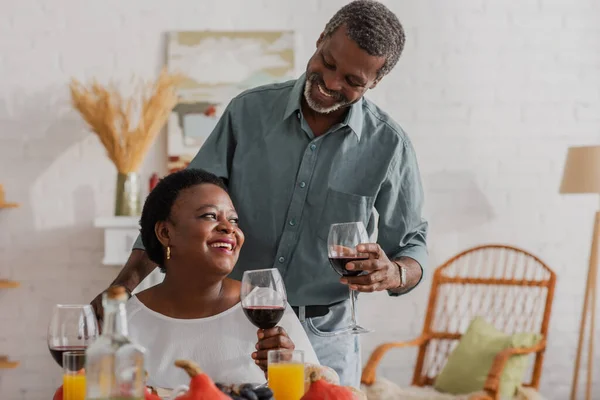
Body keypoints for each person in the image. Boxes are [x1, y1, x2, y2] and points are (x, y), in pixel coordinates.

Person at [92, 0, 427, 388]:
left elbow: (413, 246)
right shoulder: (247, 113)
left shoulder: (389, 145)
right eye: (328, 63)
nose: (332, 83)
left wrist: (395, 272)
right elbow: (181, 203)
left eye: (353, 81)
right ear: (320, 41)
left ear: (374, 83)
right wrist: (123, 289)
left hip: (326, 335)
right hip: (236, 325)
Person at [125, 168, 319, 389]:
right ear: (165, 233)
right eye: (209, 215)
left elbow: (320, 390)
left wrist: (286, 371)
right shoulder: (129, 320)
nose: (229, 228)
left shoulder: (266, 302)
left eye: (234, 220)